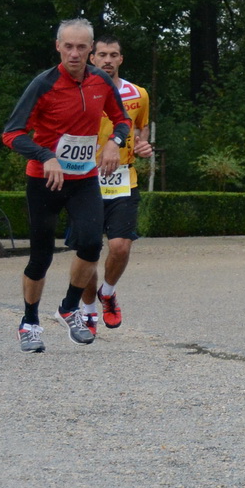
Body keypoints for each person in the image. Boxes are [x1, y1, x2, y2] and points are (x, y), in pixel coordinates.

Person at [1, 18, 129, 353]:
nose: (74, 53)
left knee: (90, 244)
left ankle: (69, 308)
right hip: (44, 179)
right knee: (41, 256)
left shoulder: (101, 81)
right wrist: (45, 155)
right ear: (58, 46)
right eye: (68, 46)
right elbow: (11, 133)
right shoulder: (43, 84)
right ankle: (29, 321)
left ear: (90, 50)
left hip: (84, 178)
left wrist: (115, 141)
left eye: (81, 47)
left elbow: (122, 120)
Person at [78, 36, 151, 329]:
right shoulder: (79, 91)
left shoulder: (138, 94)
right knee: (88, 250)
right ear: (92, 58)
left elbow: (141, 131)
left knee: (120, 247)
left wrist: (145, 147)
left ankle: (107, 294)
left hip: (124, 179)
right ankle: (87, 308)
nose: (108, 60)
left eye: (114, 55)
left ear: (121, 59)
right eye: (102, 55)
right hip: (85, 180)